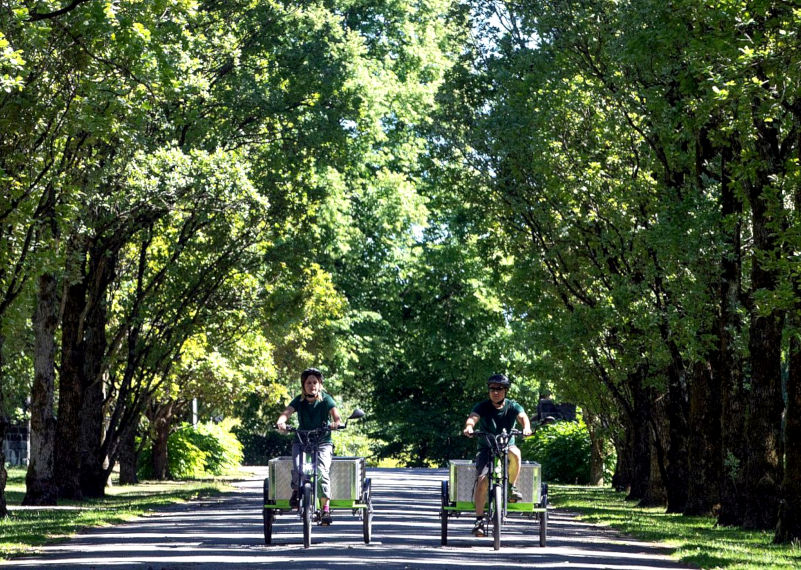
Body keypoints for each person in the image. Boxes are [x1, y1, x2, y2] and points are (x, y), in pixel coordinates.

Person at [462, 373, 532, 537]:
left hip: (507, 445)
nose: (495, 392)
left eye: (499, 389)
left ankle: (511, 487)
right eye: (492, 388)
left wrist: (526, 428)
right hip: (487, 448)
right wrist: (469, 427)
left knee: (516, 453)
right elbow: (473, 418)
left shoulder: (512, 406)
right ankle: (479, 521)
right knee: (482, 481)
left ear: (505, 391)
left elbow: (523, 417)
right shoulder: (483, 406)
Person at [276, 367, 342, 526]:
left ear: (320, 385)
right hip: (302, 440)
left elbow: (336, 416)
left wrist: (336, 424)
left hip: (322, 442)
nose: (312, 385)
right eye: (308, 382)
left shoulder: (326, 399)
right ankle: (296, 491)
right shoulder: (299, 400)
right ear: (303, 385)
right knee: (299, 468)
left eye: (315, 382)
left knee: (321, 471)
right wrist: (281, 421)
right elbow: (288, 411)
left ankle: (325, 508)